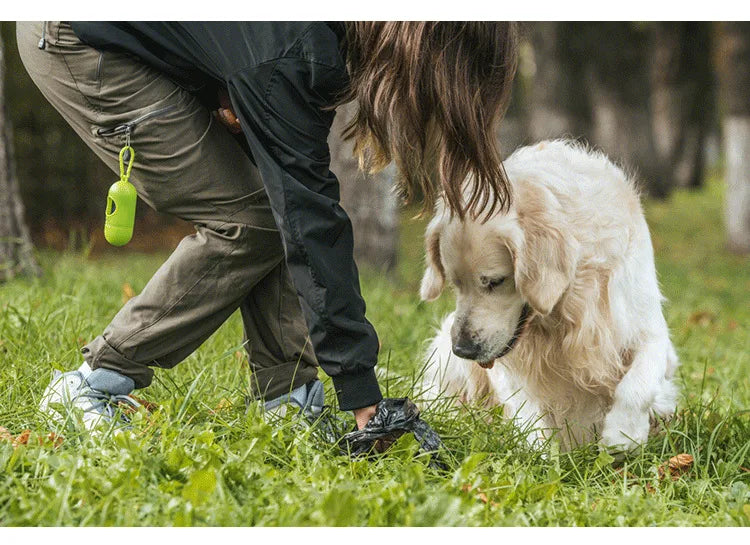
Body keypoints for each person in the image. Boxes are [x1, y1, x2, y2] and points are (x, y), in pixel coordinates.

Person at [17, 22, 519, 434]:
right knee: (249, 220)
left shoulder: (327, 42)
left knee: (271, 202)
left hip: (140, 41)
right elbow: (310, 217)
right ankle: (92, 382)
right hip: (77, 38)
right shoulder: (296, 51)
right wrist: (362, 394)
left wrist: (224, 84)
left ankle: (288, 403)